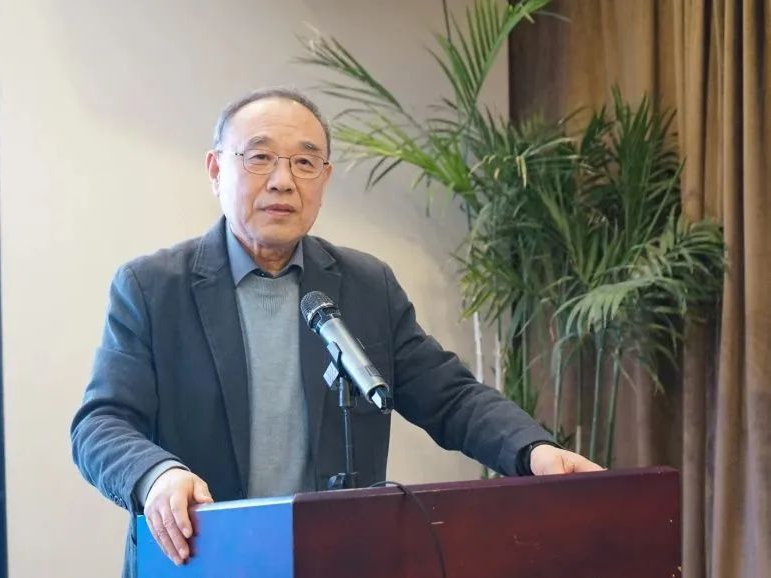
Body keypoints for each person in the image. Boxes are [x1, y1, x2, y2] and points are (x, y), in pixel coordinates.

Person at [70, 87, 602, 577]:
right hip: (201, 559)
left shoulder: (365, 284)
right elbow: (101, 424)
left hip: (334, 560)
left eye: (304, 162)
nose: (283, 180)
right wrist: (157, 475)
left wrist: (533, 450)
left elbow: (451, 397)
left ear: (323, 179)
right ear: (215, 170)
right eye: (259, 157)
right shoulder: (153, 287)